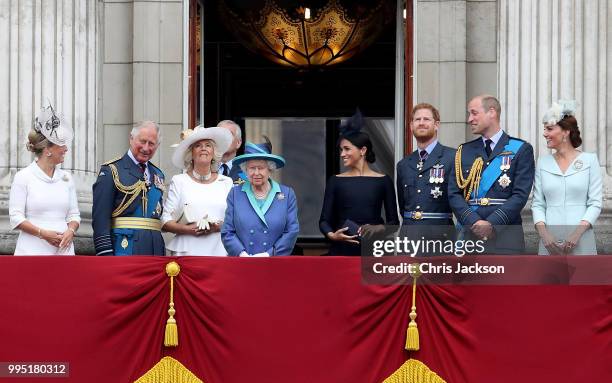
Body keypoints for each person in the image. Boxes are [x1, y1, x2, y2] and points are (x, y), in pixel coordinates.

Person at [448, 95, 535, 253]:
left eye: (474, 113)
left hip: (506, 236)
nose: (469, 119)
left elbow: (520, 195)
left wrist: (492, 223)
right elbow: (454, 193)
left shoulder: (521, 149)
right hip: (470, 235)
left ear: (492, 112)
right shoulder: (464, 151)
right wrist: (473, 221)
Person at [319, 111, 399, 255]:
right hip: (342, 250)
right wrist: (333, 236)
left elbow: (394, 223)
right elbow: (324, 221)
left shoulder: (383, 180)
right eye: (341, 150)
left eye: (347, 149)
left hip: (375, 250)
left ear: (362, 150)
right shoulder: (335, 181)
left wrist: (378, 228)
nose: (342, 154)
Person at [531, 100, 602, 255]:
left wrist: (577, 234)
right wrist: (545, 235)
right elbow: (538, 204)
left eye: (549, 129)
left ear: (566, 131)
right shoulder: (542, 163)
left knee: (583, 279)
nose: (545, 134)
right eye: (544, 129)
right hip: (550, 242)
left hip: (581, 239)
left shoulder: (590, 160)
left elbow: (595, 203)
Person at [9, 105, 80, 255]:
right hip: (32, 251)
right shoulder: (24, 177)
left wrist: (71, 230)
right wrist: (42, 233)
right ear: (47, 150)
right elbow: (16, 217)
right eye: (62, 144)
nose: (66, 149)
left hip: (63, 252)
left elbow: (74, 215)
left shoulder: (67, 178)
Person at [92, 121, 166, 256]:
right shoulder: (112, 171)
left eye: (151, 144)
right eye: (142, 141)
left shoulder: (158, 174)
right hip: (124, 247)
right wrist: (105, 254)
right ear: (131, 139)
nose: (146, 148)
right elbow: (100, 218)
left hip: (154, 249)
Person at [161, 126, 234, 255]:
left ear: (213, 153)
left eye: (208, 145)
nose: (203, 148)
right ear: (191, 154)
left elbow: (234, 221)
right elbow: (165, 220)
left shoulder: (226, 182)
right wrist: (186, 229)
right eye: (198, 146)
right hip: (186, 253)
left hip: (219, 252)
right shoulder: (179, 181)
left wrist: (216, 227)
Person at [221, 138, 299, 256]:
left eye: (261, 168)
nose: (256, 173)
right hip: (243, 263)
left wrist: (269, 254)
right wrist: (241, 253)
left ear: (270, 169)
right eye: (252, 168)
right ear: (245, 170)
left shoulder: (287, 195)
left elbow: (291, 231)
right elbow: (227, 231)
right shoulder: (235, 194)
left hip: (274, 263)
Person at [397, 103, 455, 226]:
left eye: (426, 119)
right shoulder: (403, 164)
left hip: (441, 235)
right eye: (417, 119)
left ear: (436, 125)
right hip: (410, 236)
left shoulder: (453, 157)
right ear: (411, 126)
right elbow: (403, 206)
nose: (421, 123)